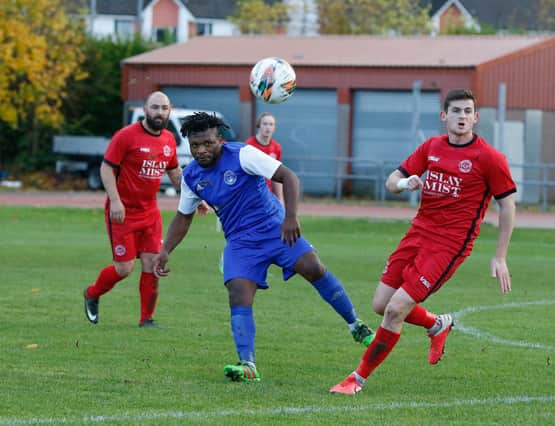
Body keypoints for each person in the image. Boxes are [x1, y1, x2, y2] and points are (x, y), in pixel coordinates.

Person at [151, 112, 374, 382]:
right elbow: (183, 217)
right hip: (241, 243)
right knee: (238, 293)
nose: (201, 150)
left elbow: (289, 177)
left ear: (219, 140)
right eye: (195, 145)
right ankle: (248, 364)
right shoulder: (191, 177)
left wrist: (290, 217)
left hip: (275, 229)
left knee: (313, 267)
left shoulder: (243, 155)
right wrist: (165, 250)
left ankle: (356, 325)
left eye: (207, 143)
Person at [330, 88, 517, 394]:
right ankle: (436, 324)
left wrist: (500, 256)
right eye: (456, 111)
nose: (462, 117)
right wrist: (406, 183)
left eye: (468, 111)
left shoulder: (488, 158)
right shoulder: (432, 147)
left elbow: (508, 205)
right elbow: (392, 181)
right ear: (444, 116)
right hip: (417, 233)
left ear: (476, 118)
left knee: (395, 310)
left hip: (449, 245)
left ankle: (356, 379)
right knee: (380, 304)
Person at [82, 91, 182, 328]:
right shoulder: (126, 136)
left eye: (164, 108)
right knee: (124, 268)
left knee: (152, 264)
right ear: (145, 109)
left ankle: (146, 319)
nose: (159, 112)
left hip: (150, 213)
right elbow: (106, 169)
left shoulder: (168, 139)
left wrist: (193, 197)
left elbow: (175, 172)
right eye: (155, 107)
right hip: (123, 213)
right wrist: (115, 201)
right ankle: (92, 293)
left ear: (170, 110)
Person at [245, 112, 284, 204]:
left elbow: (276, 175)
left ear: (274, 128)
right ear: (259, 126)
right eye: (265, 124)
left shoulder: (276, 148)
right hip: (249, 194)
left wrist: (280, 199)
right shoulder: (249, 146)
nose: (268, 127)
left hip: (267, 195)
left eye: (271, 124)